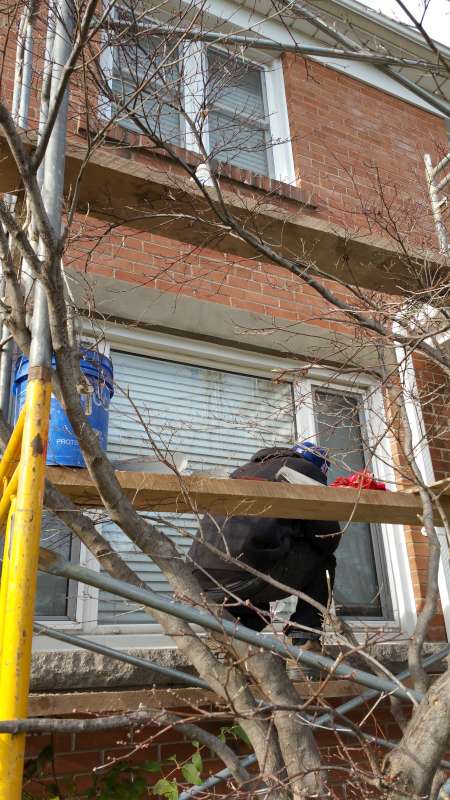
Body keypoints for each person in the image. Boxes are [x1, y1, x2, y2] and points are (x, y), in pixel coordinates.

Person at [188, 442, 341, 651]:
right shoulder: (305, 471)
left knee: (257, 606)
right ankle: (306, 639)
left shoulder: (243, 470)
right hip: (246, 575)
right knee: (324, 559)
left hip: (202, 577)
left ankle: (234, 647)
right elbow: (328, 537)